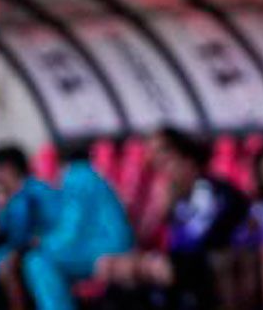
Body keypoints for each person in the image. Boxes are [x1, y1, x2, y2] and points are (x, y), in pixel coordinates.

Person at [100, 129, 251, 310]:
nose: (163, 170)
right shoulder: (170, 195)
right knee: (111, 266)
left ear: (187, 160)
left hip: (207, 260)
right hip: (180, 260)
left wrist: (155, 260)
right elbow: (141, 238)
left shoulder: (212, 191)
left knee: (158, 269)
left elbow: (204, 240)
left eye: (166, 161)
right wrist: (159, 212)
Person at [14, 144, 133, 310]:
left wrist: (43, 243)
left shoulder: (76, 177)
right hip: (107, 246)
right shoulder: (92, 176)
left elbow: (73, 230)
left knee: (37, 262)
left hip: (104, 250)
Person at [0, 145, 60, 310]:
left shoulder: (35, 191)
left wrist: (19, 252)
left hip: (33, 251)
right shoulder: (9, 198)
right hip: (6, 249)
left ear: (9, 169)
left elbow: (46, 229)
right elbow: (2, 229)